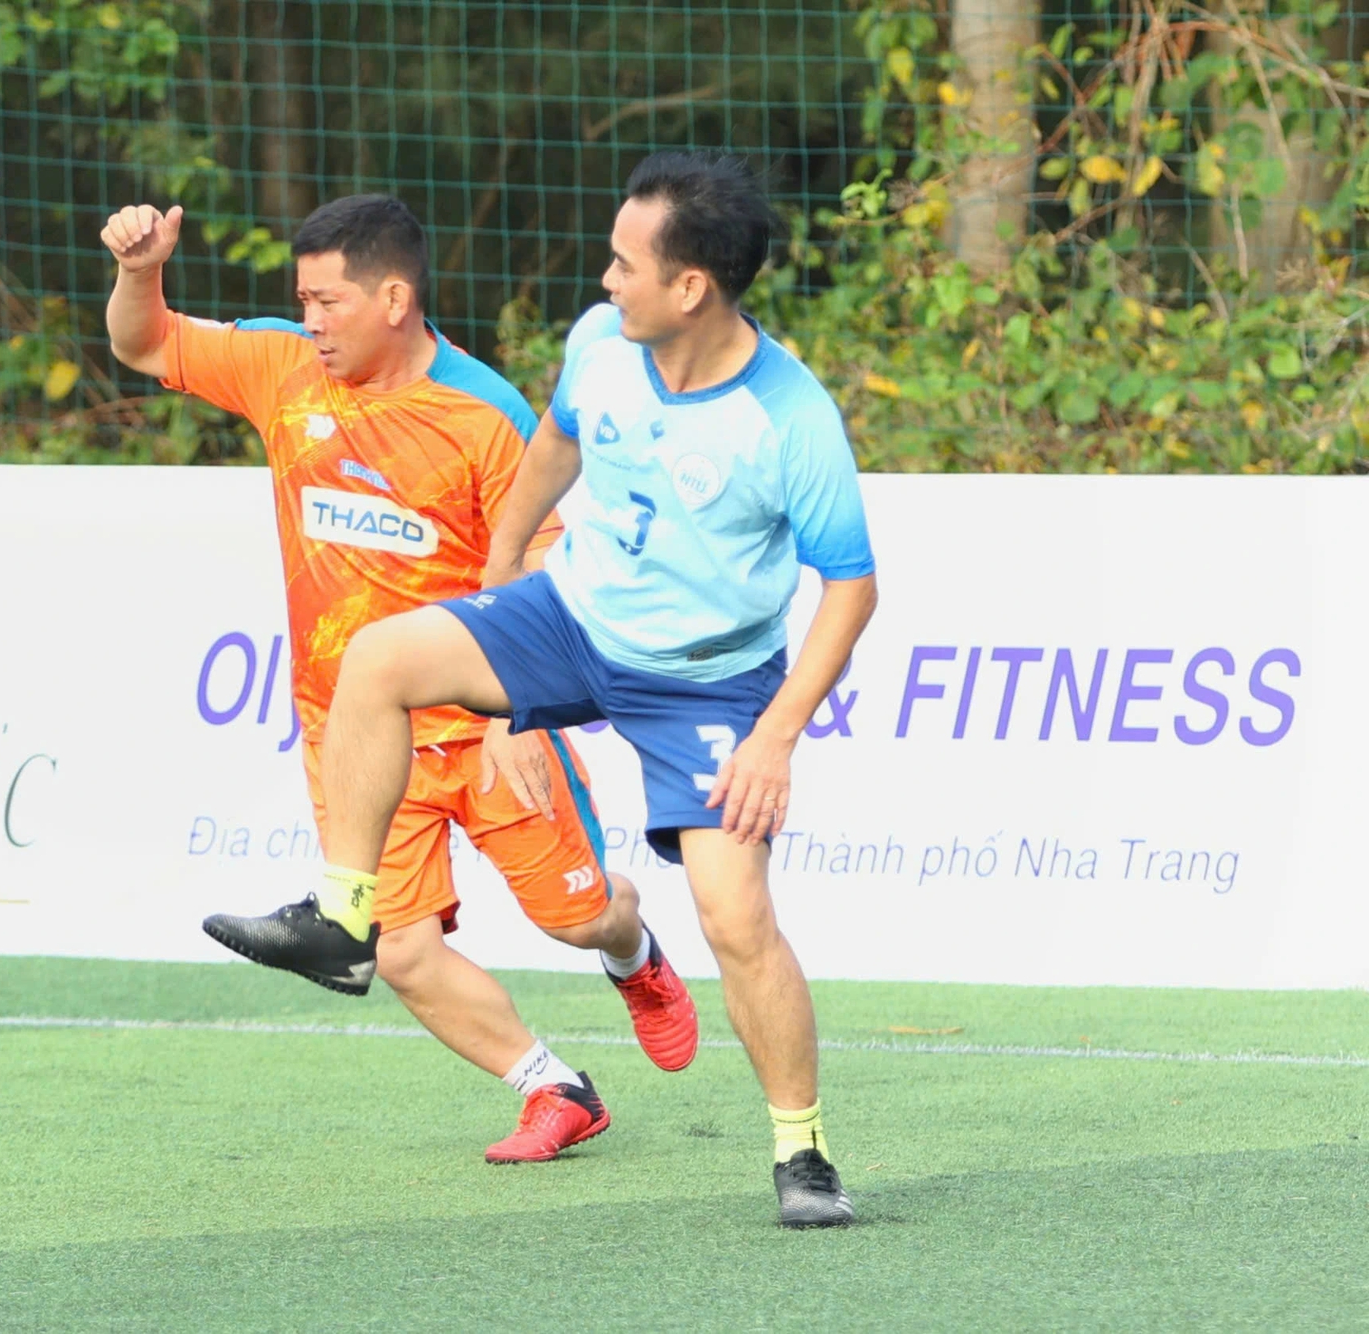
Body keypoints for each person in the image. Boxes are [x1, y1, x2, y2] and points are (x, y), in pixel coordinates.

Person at [209, 153, 878, 1227]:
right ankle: (342, 914)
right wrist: (498, 579)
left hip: (700, 683)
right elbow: (557, 443)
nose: (604, 280)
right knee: (379, 658)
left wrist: (774, 739)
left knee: (734, 913)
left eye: (623, 263)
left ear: (690, 286)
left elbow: (850, 589)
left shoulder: (787, 421)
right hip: (566, 617)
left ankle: (800, 1152)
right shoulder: (597, 346)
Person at [101, 193, 699, 1163]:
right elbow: (144, 342)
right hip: (354, 732)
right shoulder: (280, 366)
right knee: (398, 947)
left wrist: (521, 712)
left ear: (393, 296)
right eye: (300, 300)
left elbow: (546, 565)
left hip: (481, 713)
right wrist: (139, 270)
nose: (309, 322)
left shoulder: (483, 413)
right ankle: (553, 1087)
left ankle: (634, 957)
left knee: (577, 916)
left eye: (326, 301)